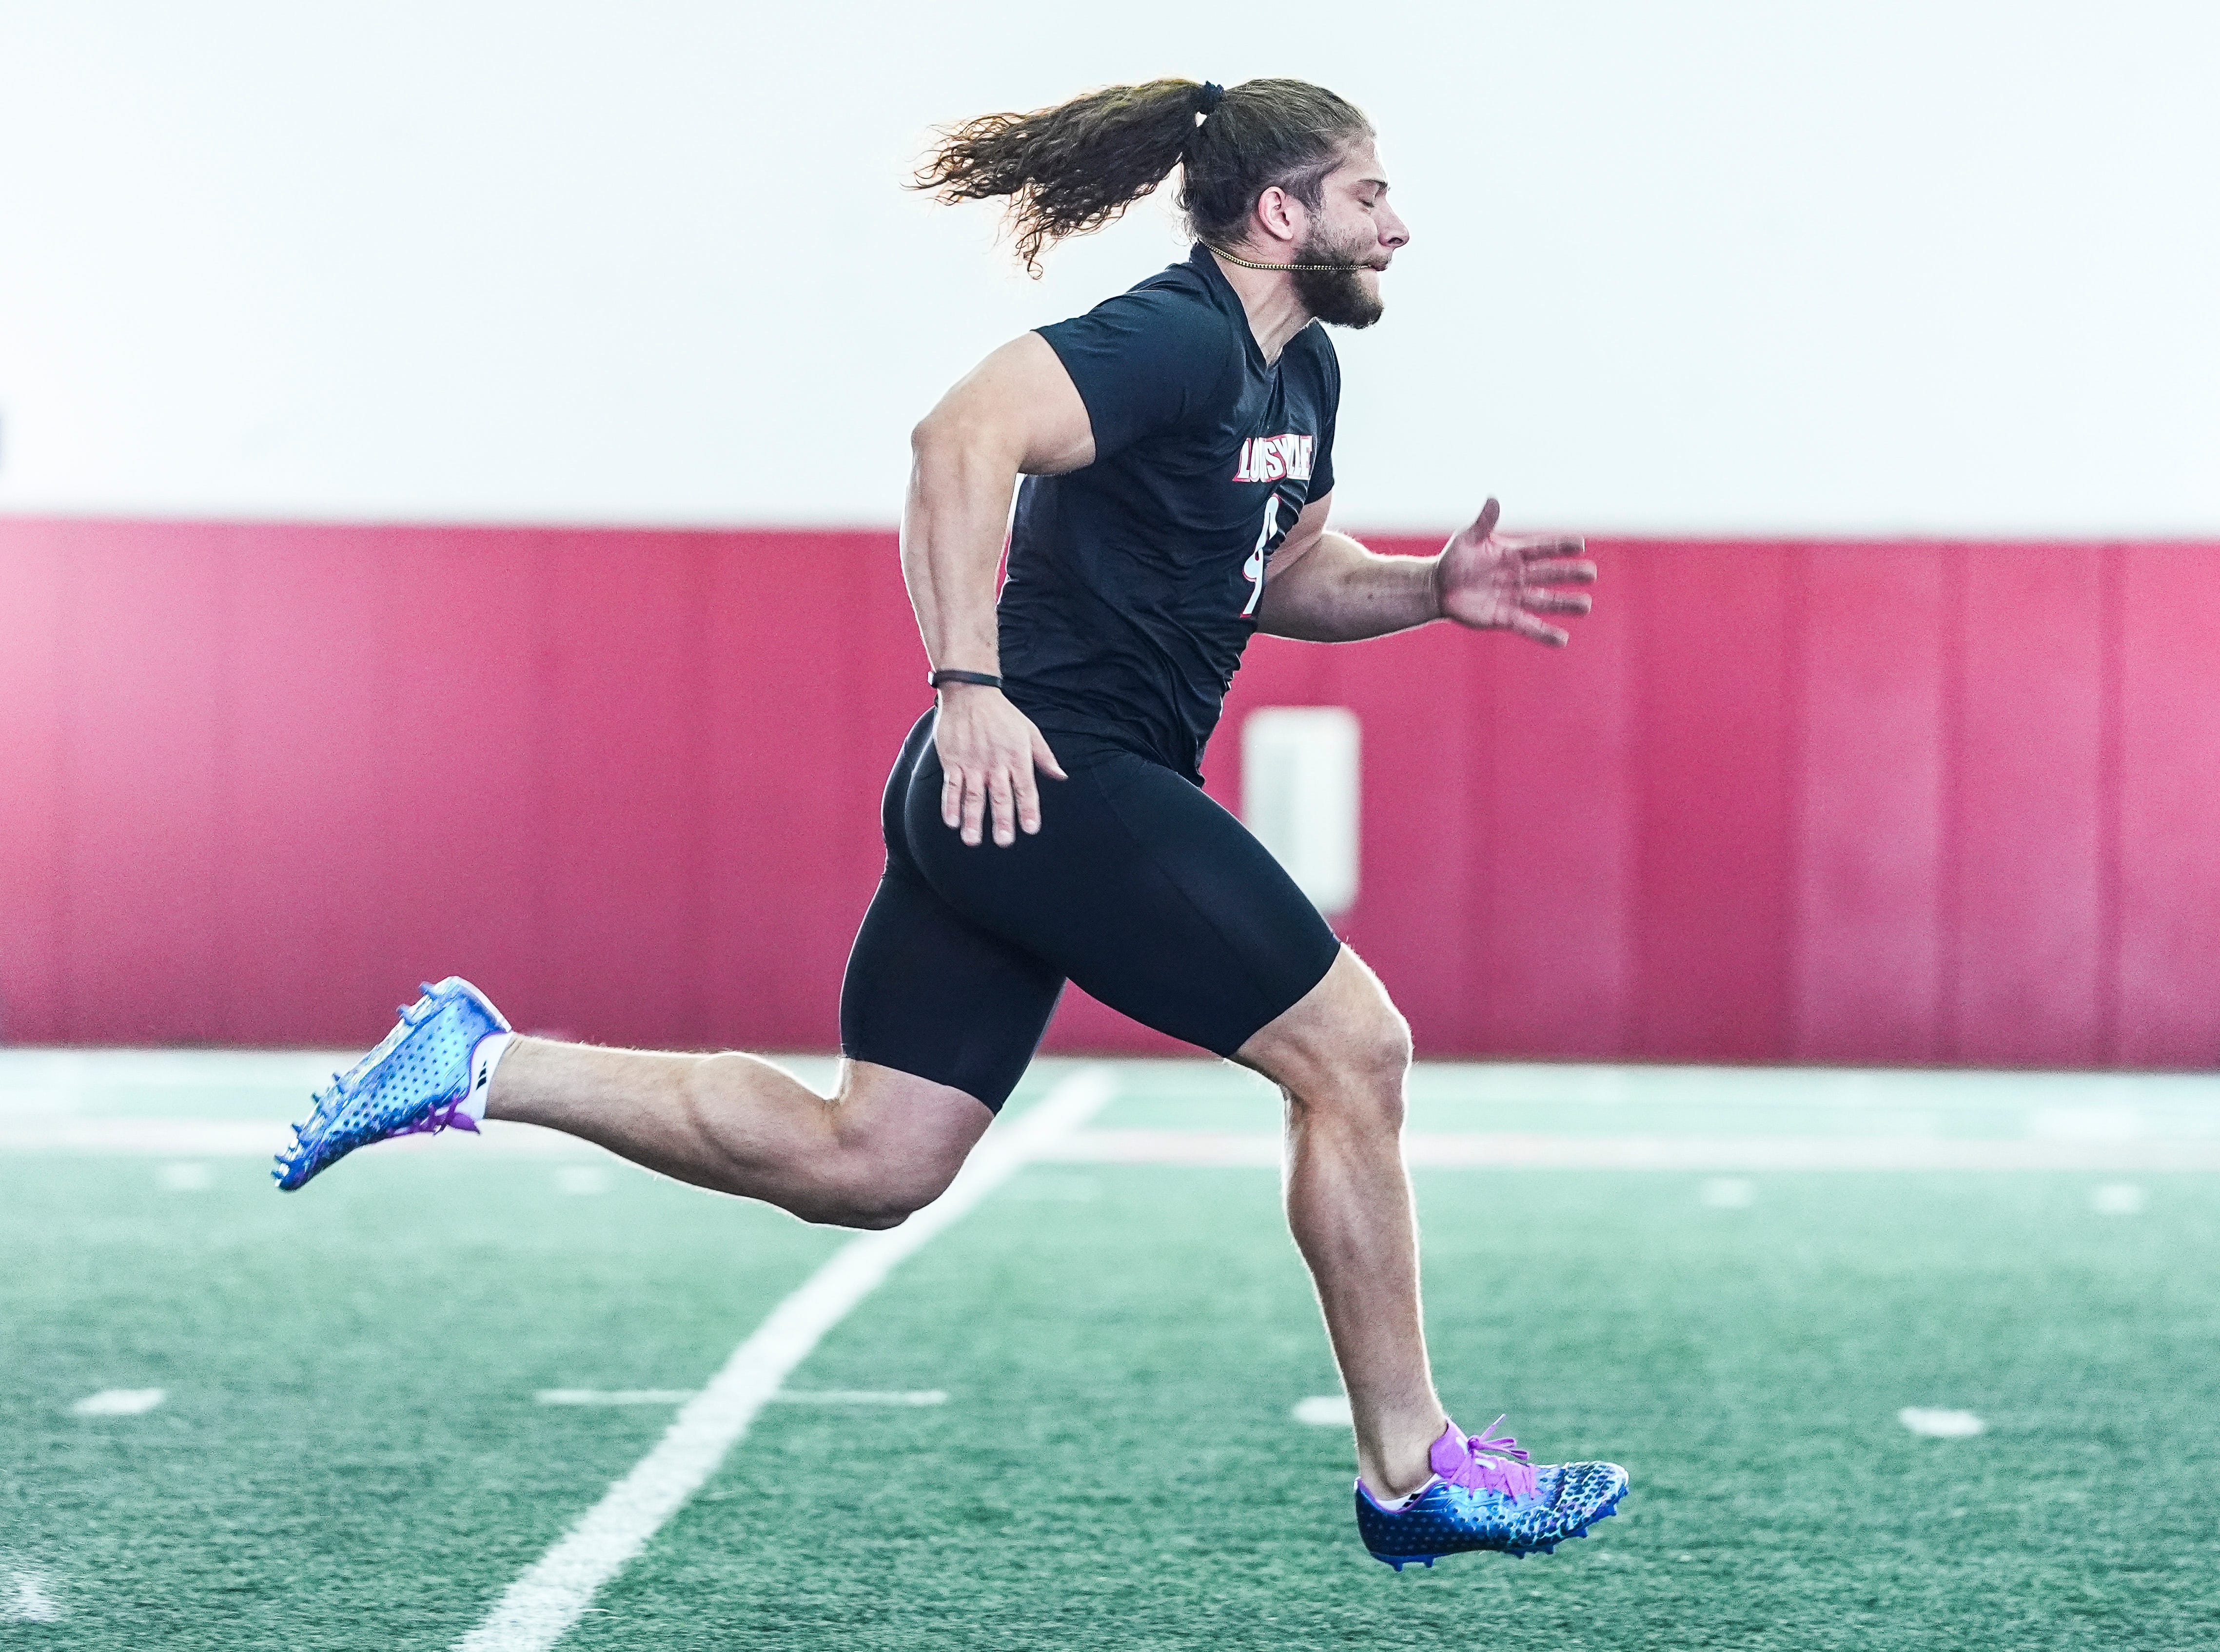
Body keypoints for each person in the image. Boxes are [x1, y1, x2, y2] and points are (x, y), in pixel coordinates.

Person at [274, 76, 1627, 1568]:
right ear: (1281, 212)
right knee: (1352, 1049)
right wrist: (969, 682)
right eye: (1372, 196)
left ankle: (484, 1059)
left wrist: (1427, 590)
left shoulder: (1295, 379)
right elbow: (955, 437)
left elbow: (1282, 575)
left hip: (1004, 796)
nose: (1400, 226)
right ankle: (1409, 1468)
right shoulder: (1173, 336)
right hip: (1049, 771)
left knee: (875, 1160)